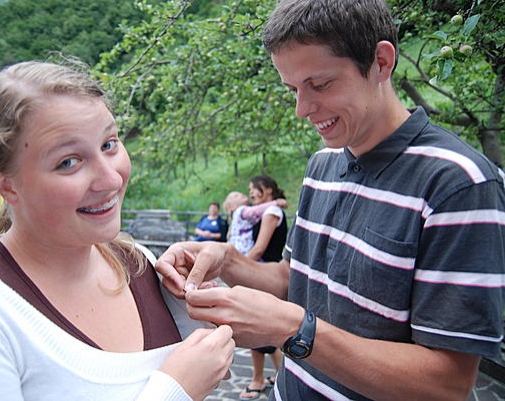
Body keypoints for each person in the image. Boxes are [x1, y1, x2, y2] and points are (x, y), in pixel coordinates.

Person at [156, 1, 505, 400]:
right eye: (293, 89)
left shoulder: (459, 183)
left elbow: (448, 384)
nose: (302, 110)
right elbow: (294, 281)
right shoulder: (321, 165)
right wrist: (227, 260)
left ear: (381, 62)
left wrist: (293, 329)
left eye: (319, 84)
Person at [0, 60, 235, 401]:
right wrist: (177, 391)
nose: (111, 179)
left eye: (109, 144)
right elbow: (179, 382)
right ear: (6, 185)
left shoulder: (137, 263)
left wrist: (199, 317)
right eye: (68, 162)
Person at [238, 176, 288, 400]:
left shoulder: (271, 213)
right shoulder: (267, 211)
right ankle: (281, 376)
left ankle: (257, 380)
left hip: (265, 275)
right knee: (268, 332)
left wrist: (237, 266)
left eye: (253, 188)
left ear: (267, 189)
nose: (250, 193)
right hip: (264, 274)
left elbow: (259, 249)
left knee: (255, 330)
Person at [222, 191, 287, 255]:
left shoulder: (239, 216)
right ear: (231, 207)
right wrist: (275, 203)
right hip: (243, 246)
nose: (241, 194)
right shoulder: (240, 211)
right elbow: (256, 211)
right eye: (236, 196)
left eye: (240, 193)